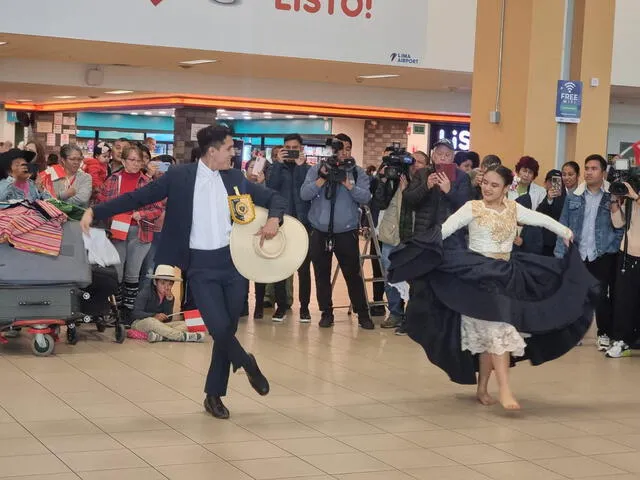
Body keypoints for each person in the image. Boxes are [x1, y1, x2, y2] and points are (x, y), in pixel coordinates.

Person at [81, 124, 284, 420]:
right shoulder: (179, 177)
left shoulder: (235, 178)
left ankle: (214, 395)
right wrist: (95, 212)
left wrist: (275, 219)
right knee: (217, 327)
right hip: (199, 266)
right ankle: (247, 363)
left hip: (234, 264)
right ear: (212, 151)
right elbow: (137, 198)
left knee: (227, 329)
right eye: (229, 148)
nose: (234, 153)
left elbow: (274, 198)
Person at [388, 166, 596, 410]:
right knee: (499, 328)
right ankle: (505, 389)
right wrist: (417, 252)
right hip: (477, 278)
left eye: (494, 185)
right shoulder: (472, 208)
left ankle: (483, 387)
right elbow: (444, 230)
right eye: (485, 183)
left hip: (506, 276)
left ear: (507, 188)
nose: (487, 188)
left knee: (493, 335)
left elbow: (541, 219)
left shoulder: (514, 208)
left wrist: (566, 232)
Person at [300, 133, 374, 329]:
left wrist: (347, 183)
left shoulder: (357, 172)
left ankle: (363, 313)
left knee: (353, 274)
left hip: (346, 232)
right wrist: (321, 180)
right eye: (338, 149)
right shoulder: (317, 169)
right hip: (320, 230)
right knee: (321, 274)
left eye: (347, 149)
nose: (343, 153)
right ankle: (326, 312)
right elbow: (304, 194)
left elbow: (366, 197)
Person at [555, 154, 623, 352]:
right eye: (587, 168)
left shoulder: (612, 196)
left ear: (603, 172)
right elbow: (563, 225)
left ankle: (604, 333)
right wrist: (561, 253)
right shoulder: (574, 196)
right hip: (578, 252)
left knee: (601, 295)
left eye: (594, 168)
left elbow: (619, 227)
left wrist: (612, 246)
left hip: (602, 253)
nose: (588, 172)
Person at [96, 144, 164, 315]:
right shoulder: (112, 180)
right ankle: (115, 310)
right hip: (117, 230)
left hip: (140, 232)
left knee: (133, 273)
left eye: (138, 160)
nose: (135, 164)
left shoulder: (148, 183)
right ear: (123, 160)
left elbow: (158, 208)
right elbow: (101, 203)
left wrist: (142, 214)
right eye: (131, 160)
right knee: (117, 272)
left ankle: (129, 312)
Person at [374, 150, 428, 332]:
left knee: (414, 277)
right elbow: (380, 202)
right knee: (391, 275)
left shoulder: (427, 183)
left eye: (420, 162)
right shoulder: (395, 178)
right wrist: (384, 179)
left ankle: (412, 316)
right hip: (392, 234)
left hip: (415, 236)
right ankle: (395, 312)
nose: (415, 165)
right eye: (413, 161)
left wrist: (408, 192)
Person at [266, 133, 312, 322]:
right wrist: (277, 163)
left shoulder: (308, 169)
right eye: (288, 148)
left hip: (303, 223)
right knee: (280, 266)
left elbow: (306, 192)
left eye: (295, 148)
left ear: (301, 149)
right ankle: (281, 306)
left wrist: (301, 167)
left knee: (304, 268)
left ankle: (305, 308)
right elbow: (270, 187)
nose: (291, 151)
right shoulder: (278, 168)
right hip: (282, 222)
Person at [404, 138, 472, 249]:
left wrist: (449, 191)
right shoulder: (422, 173)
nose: (443, 157)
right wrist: (426, 186)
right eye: (439, 154)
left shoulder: (462, 177)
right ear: (433, 156)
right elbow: (408, 200)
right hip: (424, 233)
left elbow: (466, 206)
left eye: (447, 155)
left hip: (451, 235)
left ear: (453, 158)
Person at [605, 181, 640, 358]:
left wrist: (635, 196)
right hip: (628, 254)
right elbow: (619, 224)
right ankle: (621, 340)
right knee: (624, 301)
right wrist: (614, 201)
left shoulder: (635, 196)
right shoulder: (631, 197)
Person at [131, 265, 204, 343]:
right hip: (141, 323)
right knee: (151, 321)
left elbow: (168, 318)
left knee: (185, 324)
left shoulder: (169, 296)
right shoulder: (145, 292)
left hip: (160, 326)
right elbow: (135, 313)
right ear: (155, 282)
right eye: (163, 283)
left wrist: (169, 300)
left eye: (170, 284)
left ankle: (161, 337)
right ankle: (182, 336)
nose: (167, 287)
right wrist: (154, 315)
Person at [536, 169, 566, 256]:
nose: (553, 184)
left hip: (560, 240)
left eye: (557, 181)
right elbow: (539, 214)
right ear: (545, 183)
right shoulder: (541, 194)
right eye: (551, 181)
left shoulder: (566, 197)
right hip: (544, 241)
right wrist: (549, 199)